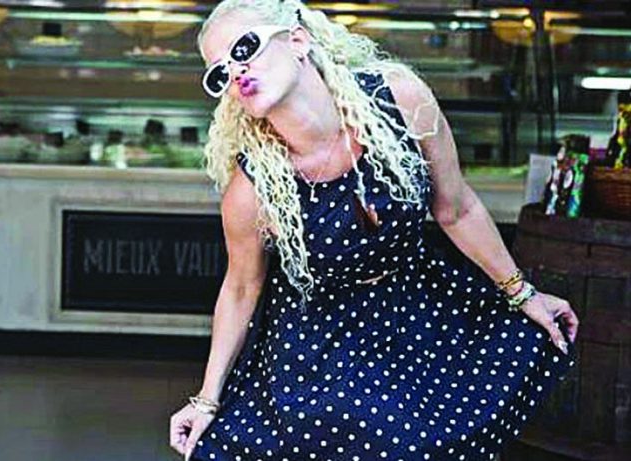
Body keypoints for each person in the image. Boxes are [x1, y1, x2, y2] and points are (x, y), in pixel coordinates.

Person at [170, 1, 579, 460]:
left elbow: (457, 209)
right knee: (380, 437)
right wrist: (206, 400)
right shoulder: (252, 189)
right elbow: (241, 287)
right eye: (219, 73)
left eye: (245, 48)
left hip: (419, 309)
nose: (236, 71)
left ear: (298, 40)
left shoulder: (401, 99)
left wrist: (523, 294)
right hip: (320, 346)